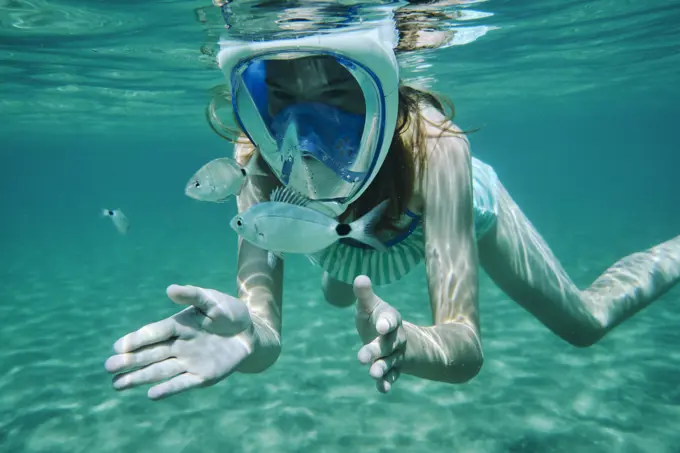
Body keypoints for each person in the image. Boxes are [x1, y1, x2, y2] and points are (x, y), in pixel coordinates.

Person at [104, 15, 680, 401]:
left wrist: (418, 346)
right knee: (339, 283)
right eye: (281, 98)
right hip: (329, 242)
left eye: (335, 95)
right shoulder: (254, 160)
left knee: (583, 325)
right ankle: (340, 279)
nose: (305, 137)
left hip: (439, 212)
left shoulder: (440, 149)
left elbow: (465, 345)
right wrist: (249, 339)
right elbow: (264, 336)